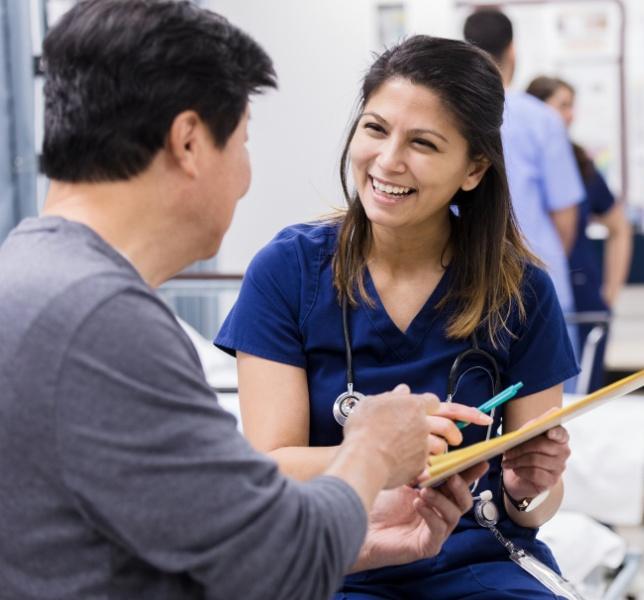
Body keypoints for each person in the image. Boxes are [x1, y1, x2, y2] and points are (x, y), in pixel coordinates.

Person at [0, 2, 462, 598]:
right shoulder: (99, 320)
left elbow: (213, 546)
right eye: (241, 143)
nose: (245, 179)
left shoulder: (29, 274)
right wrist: (372, 447)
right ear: (189, 142)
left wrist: (367, 545)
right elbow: (276, 563)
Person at [214, 35, 578, 598]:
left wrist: (528, 488)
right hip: (335, 558)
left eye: (424, 143)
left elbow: (533, 511)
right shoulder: (289, 272)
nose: (388, 161)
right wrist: (381, 452)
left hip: (478, 560)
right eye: (375, 129)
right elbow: (270, 471)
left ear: (474, 167)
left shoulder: (521, 291)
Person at [463, 9, 586, 337]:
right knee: (559, 389)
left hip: (471, 288)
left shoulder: (456, 118)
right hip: (539, 284)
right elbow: (565, 217)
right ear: (512, 50)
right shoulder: (542, 120)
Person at [526, 76, 633, 390]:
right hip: (539, 296)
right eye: (562, 105)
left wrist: (610, 293)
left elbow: (619, 227)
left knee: (586, 396)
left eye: (572, 106)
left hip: (583, 299)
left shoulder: (580, 163)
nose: (570, 115)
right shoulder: (517, 160)